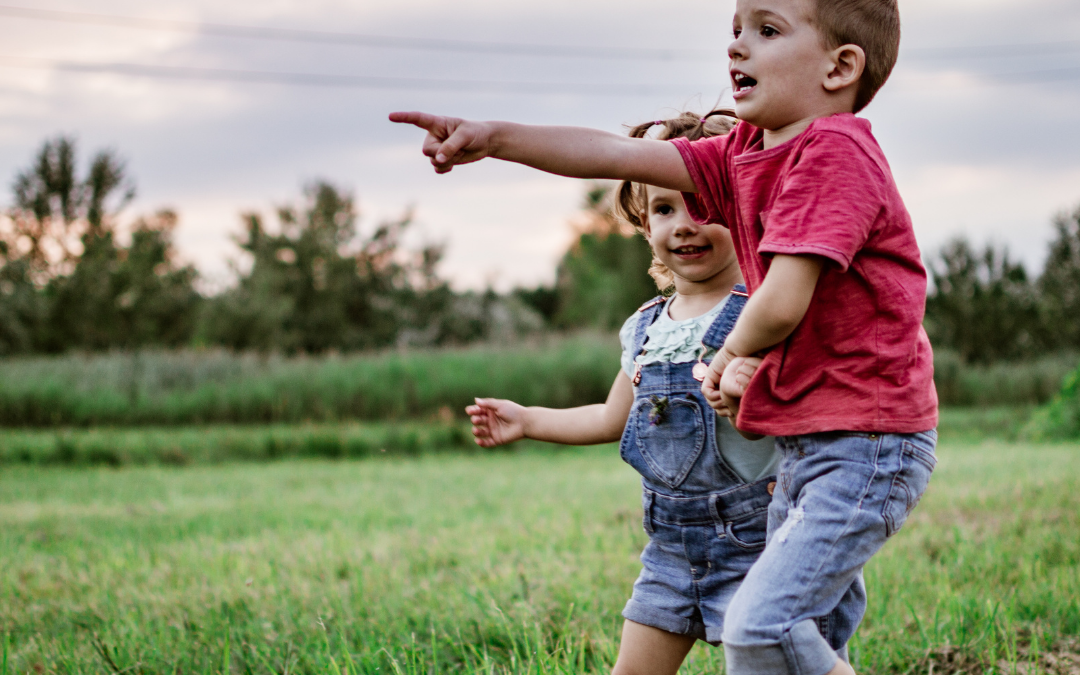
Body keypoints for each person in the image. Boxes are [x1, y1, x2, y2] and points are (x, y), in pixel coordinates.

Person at [390, 1, 938, 673]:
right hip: (812, 441)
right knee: (786, 639)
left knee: (760, 626)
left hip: (869, 442)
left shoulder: (835, 152)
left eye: (766, 31)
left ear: (840, 66)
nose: (737, 46)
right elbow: (617, 154)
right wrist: (497, 137)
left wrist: (730, 355)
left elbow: (785, 300)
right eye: (735, 29)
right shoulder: (743, 155)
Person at [467, 110, 855, 675]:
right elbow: (609, 417)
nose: (685, 225)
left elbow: (811, 413)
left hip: (763, 541)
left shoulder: (768, 309)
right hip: (671, 549)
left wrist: (757, 391)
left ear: (743, 211)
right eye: (665, 209)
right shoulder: (645, 326)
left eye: (702, 206)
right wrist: (529, 420)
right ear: (644, 224)